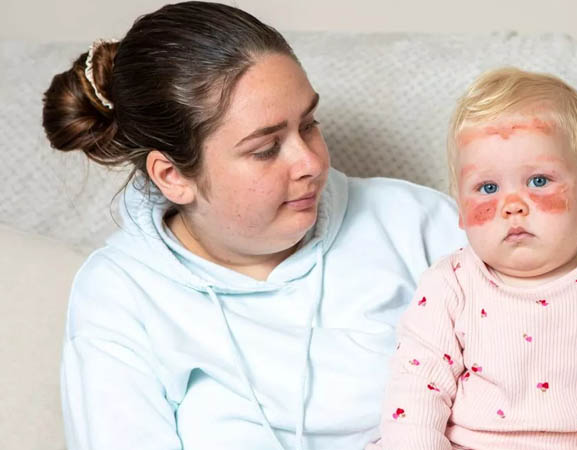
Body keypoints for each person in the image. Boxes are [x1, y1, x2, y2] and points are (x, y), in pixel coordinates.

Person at [41, 2, 465, 449]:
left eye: (309, 124)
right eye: (265, 149)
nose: (310, 163)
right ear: (173, 176)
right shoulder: (120, 294)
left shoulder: (416, 224)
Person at [371, 68, 577, 450]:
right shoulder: (449, 284)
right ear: (460, 208)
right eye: (488, 188)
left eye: (538, 181)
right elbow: (417, 386)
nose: (512, 206)